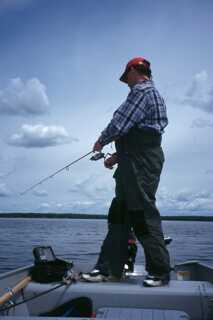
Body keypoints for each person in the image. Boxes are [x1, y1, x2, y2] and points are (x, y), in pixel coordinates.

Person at [84, 56, 171, 287]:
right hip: (133, 160)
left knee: (142, 214)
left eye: (127, 77)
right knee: (119, 214)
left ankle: (160, 272)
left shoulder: (142, 92)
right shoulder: (147, 94)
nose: (127, 83)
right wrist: (117, 156)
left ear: (134, 70)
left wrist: (100, 142)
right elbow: (136, 132)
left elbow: (120, 124)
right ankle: (109, 269)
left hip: (140, 162)